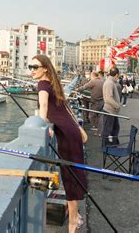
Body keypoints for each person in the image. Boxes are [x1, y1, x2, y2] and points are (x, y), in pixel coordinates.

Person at [31, 55, 87, 231]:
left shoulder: (42, 84)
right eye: (30, 66)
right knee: (74, 172)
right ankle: (75, 215)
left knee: (70, 177)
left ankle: (73, 223)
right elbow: (65, 109)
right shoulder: (53, 83)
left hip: (67, 135)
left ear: (45, 68)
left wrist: (42, 125)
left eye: (34, 66)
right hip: (71, 131)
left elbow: (44, 108)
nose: (31, 70)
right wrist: (79, 128)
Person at [102, 67, 121, 145]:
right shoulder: (109, 83)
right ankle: (105, 145)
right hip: (110, 110)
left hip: (112, 111)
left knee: (115, 128)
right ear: (117, 75)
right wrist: (117, 106)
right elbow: (108, 98)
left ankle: (114, 142)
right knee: (108, 129)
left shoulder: (111, 82)